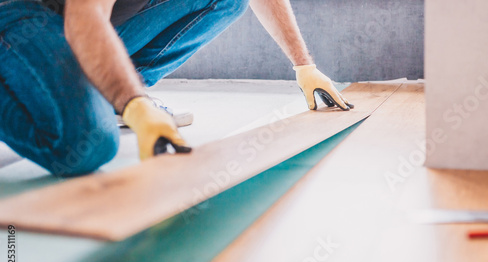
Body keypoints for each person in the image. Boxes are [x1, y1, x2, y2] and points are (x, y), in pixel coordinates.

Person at [0, 0, 353, 177]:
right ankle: (114, 95)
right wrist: (133, 103)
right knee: (85, 144)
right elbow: (85, 18)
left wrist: (304, 66)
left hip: (74, 19)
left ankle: (108, 93)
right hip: (20, 17)